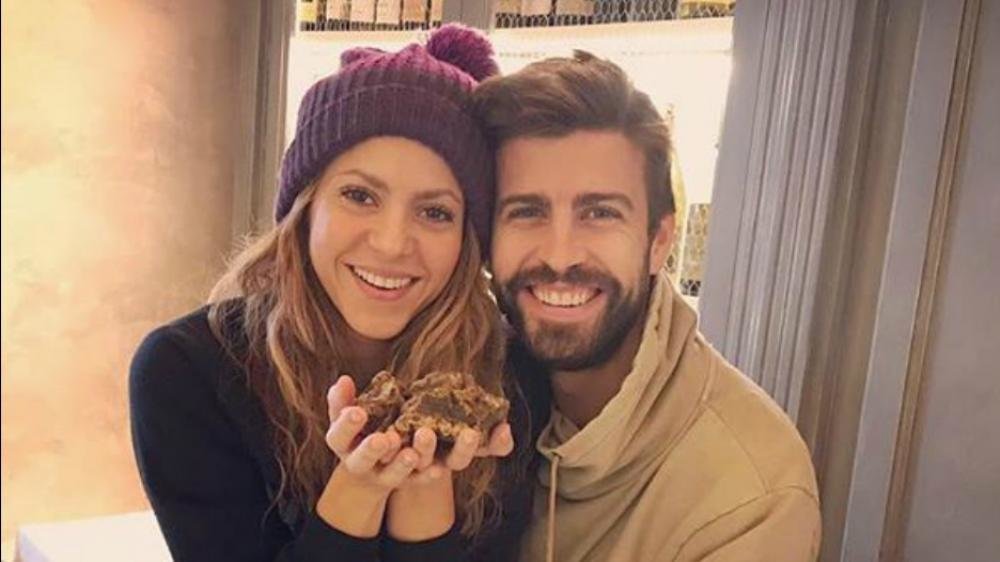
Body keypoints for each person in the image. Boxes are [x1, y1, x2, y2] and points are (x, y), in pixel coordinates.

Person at [129, 25, 538, 562]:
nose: (391, 243)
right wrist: (358, 492)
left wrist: (424, 490)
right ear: (306, 208)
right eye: (360, 195)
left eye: (435, 212)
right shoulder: (189, 371)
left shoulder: (508, 377)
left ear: (468, 240)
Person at [473, 51, 821, 562]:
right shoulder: (473, 392)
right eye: (527, 212)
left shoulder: (748, 495)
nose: (560, 256)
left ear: (659, 241)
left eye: (599, 213)